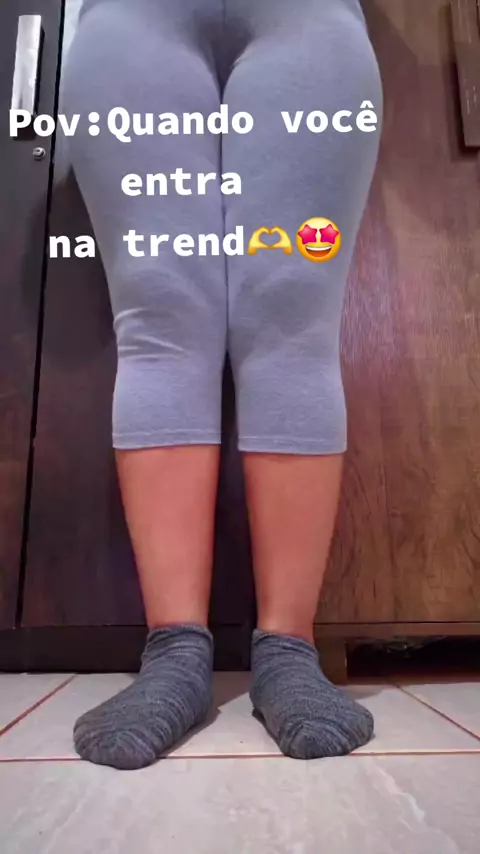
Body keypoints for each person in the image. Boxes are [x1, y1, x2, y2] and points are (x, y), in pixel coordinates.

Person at [61, 0, 383, 769]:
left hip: (309, 15)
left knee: (292, 312)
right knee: (160, 308)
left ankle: (288, 651)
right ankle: (175, 654)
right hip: (129, 18)